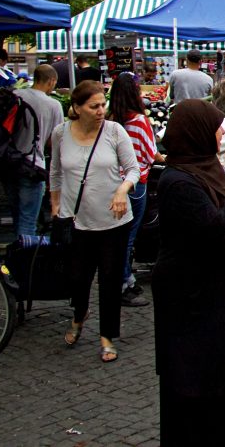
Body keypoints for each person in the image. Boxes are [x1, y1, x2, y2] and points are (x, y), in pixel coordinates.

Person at [152, 100, 225, 445]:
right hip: (192, 293)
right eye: (216, 126)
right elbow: (216, 224)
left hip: (222, 285)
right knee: (195, 374)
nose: (221, 132)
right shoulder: (178, 181)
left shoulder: (205, 166)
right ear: (197, 132)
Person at [50, 80, 141, 363]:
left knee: (110, 280)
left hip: (114, 220)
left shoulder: (115, 131)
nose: (101, 110)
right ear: (76, 108)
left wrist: (122, 190)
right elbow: (55, 171)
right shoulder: (60, 133)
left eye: (103, 104)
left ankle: (107, 336)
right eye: (94, 106)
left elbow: (134, 168)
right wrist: (54, 204)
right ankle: (79, 314)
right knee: (77, 278)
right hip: (75, 219)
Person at [106, 73, 165, 308]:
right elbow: (152, 154)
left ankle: (123, 279)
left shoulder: (110, 120)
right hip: (135, 183)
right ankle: (123, 284)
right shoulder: (139, 120)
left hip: (113, 182)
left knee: (118, 234)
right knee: (128, 236)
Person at [1, 64, 63, 236]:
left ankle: (14, 256)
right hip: (32, 166)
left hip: (8, 163)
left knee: (17, 217)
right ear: (51, 81)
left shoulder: (14, 95)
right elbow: (54, 140)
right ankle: (24, 260)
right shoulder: (53, 105)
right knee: (28, 221)